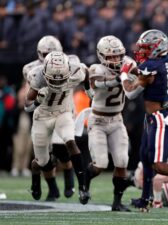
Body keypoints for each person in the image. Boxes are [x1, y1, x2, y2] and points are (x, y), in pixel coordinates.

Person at [121, 29, 168, 212]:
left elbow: (131, 92)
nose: (142, 52)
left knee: (159, 164)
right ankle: (145, 199)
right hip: (155, 116)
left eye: (146, 48)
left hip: (159, 117)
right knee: (146, 159)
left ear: (156, 48)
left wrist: (124, 74)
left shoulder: (151, 67)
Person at [24, 51, 90, 205]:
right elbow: (27, 105)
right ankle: (35, 182)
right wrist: (36, 103)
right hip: (42, 116)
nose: (58, 83)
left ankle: (82, 187)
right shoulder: (37, 76)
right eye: (54, 78)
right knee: (41, 161)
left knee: (70, 142)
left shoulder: (75, 70)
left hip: (63, 112)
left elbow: (86, 73)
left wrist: (89, 91)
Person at [23, 35, 76, 201]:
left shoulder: (71, 62)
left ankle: (69, 175)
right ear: (40, 54)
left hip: (63, 110)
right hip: (44, 112)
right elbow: (30, 96)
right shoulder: (32, 69)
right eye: (46, 54)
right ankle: (53, 189)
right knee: (43, 156)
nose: (50, 57)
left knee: (60, 148)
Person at [85, 35, 132, 211]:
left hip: (117, 120)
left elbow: (138, 75)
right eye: (111, 56)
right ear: (101, 56)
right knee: (100, 165)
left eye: (118, 55)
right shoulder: (96, 68)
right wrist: (119, 79)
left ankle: (117, 202)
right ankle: (85, 183)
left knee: (122, 161)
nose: (116, 59)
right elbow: (98, 84)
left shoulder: (127, 63)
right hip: (98, 120)